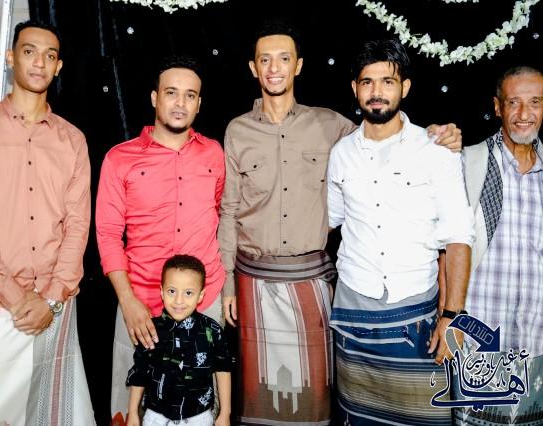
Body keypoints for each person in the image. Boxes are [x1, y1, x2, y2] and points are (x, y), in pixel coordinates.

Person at [217, 20, 463, 425]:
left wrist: (439, 135)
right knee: (257, 398)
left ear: (298, 66)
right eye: (265, 59)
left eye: (284, 58)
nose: (274, 68)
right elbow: (228, 211)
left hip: (313, 282)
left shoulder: (331, 126)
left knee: (317, 398)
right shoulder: (237, 130)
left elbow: (383, 131)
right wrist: (227, 283)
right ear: (253, 67)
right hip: (253, 282)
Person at [0, 20, 95, 425]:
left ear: (59, 67)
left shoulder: (72, 140)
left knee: (53, 415)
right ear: (11, 57)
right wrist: (15, 297)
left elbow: (77, 223)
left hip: (54, 305)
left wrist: (51, 298)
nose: (39, 62)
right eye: (29, 51)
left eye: (50, 55)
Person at [326, 39, 475, 425]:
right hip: (354, 315)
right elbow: (329, 220)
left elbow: (459, 238)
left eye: (387, 82)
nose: (376, 92)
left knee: (426, 416)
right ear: (355, 88)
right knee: (357, 417)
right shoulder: (340, 153)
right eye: (367, 82)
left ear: (405, 87)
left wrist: (452, 316)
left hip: (416, 317)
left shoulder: (436, 149)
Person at [95, 55, 226, 424]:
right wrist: (127, 301)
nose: (180, 103)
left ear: (199, 104)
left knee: (204, 411)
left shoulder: (214, 154)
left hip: (204, 302)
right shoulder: (119, 159)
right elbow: (107, 234)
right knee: (131, 411)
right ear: (155, 98)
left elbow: (220, 214)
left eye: (190, 95)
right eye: (171, 93)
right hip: (141, 305)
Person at [453, 66, 543, 425]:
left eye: (535, 102)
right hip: (483, 337)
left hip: (537, 340)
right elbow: (447, 250)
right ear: (497, 106)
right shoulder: (470, 162)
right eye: (514, 102)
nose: (524, 113)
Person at [125, 255, 233, 426]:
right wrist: (132, 412)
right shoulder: (150, 330)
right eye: (172, 291)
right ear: (161, 291)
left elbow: (223, 370)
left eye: (188, 293)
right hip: (156, 417)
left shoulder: (212, 330)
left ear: (200, 295)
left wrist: (225, 413)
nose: (179, 301)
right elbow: (140, 373)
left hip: (199, 418)